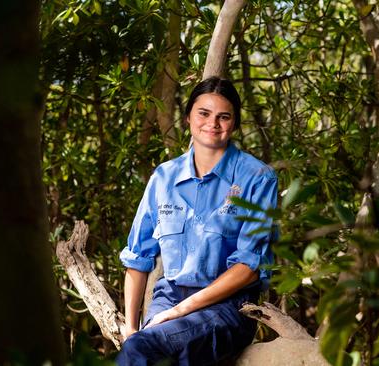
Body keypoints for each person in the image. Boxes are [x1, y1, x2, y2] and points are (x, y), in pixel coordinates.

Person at [117, 77, 277, 365]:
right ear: (188, 116)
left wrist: (180, 312)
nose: (212, 123)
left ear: (235, 124)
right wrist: (130, 328)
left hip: (229, 307)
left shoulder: (256, 178)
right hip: (168, 299)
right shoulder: (163, 178)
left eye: (224, 116)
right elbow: (138, 259)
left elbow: (249, 268)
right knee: (141, 346)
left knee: (147, 350)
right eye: (204, 113)